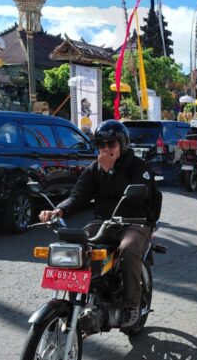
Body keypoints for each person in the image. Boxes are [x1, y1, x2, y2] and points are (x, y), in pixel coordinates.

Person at [39, 120, 159, 328]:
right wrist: (58, 210)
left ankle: (131, 305)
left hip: (135, 223)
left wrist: (110, 171)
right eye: (101, 145)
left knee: (128, 249)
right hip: (105, 222)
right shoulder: (95, 169)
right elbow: (78, 195)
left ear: (123, 144)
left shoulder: (139, 167)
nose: (106, 149)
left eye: (111, 144)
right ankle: (82, 300)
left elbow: (137, 197)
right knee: (78, 245)